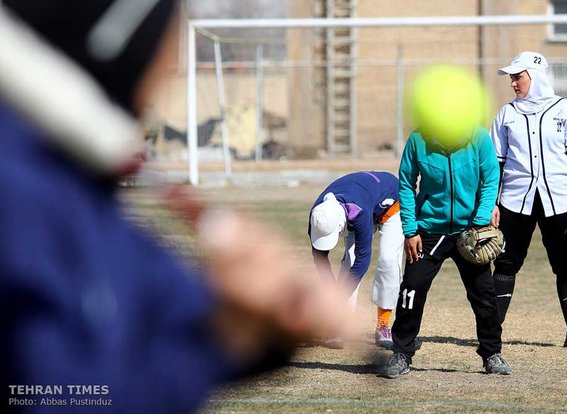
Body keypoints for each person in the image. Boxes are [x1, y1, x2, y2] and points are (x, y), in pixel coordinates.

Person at [0, 2, 349, 413]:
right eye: (172, 40)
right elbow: (60, 400)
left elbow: (175, 305)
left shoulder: (80, 193)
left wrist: (269, 315)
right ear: (126, 42)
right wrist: (225, 342)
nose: (172, 68)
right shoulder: (20, 201)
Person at [379, 124, 512, 379]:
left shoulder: (477, 136)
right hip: (428, 230)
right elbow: (406, 184)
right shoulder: (419, 138)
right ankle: (401, 353)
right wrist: (410, 230)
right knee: (411, 289)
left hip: (470, 229)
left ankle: (492, 353)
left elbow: (491, 177)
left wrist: (482, 218)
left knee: (484, 294)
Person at [490, 51, 567, 349]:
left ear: (535, 76)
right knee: (505, 263)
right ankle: (492, 332)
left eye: (518, 77)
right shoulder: (506, 115)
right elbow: (497, 165)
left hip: (560, 200)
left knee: (565, 263)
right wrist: (491, 202)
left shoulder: (564, 109)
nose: (513, 83)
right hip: (515, 200)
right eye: (512, 78)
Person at [309, 171, 404, 349]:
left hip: (392, 204)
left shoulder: (358, 213)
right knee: (349, 263)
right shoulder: (318, 213)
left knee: (388, 260)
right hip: (362, 200)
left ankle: (383, 324)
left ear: (341, 225)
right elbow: (320, 259)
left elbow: (364, 259)